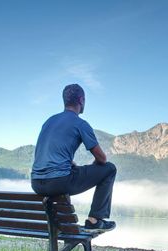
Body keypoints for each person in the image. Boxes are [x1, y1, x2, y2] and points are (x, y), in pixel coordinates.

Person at [31, 84, 116, 232]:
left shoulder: (49, 122)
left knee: (70, 170)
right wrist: (94, 165)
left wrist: (69, 163)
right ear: (81, 100)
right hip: (59, 182)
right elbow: (102, 159)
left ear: (65, 100)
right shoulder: (80, 123)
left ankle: (63, 224)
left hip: (37, 183)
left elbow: (46, 152)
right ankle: (95, 219)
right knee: (109, 169)